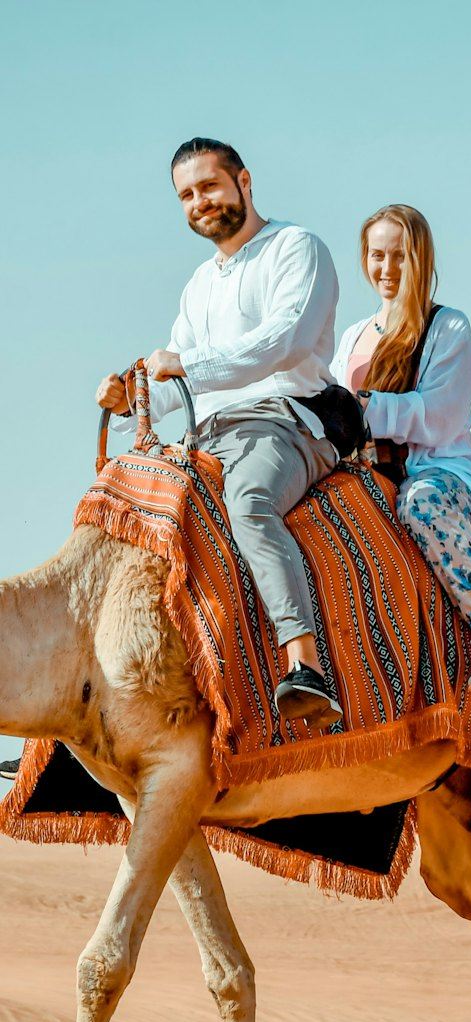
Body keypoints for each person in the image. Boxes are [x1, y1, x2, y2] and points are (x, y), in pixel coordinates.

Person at [97, 138, 345, 728]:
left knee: (250, 502)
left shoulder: (296, 248)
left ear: (244, 181)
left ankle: (305, 665)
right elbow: (175, 383)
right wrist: (131, 399)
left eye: (209, 186)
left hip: (287, 421)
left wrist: (185, 365)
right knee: (116, 518)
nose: (199, 202)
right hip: (207, 435)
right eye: (187, 195)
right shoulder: (198, 286)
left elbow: (284, 342)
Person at [331, 204, 471, 691]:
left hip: (434, 469)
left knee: (421, 505)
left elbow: (439, 415)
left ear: (422, 258)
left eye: (400, 255)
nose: (387, 268)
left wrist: (363, 408)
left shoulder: (448, 327)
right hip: (358, 471)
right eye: (377, 255)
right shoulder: (353, 335)